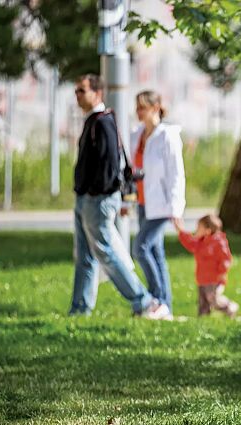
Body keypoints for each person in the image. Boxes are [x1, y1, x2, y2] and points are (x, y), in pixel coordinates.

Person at [69, 73, 169, 319]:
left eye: (82, 90)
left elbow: (111, 165)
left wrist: (97, 192)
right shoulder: (93, 121)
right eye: (76, 91)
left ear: (97, 93)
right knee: (85, 257)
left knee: (107, 254)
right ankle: (80, 309)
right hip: (86, 199)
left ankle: (144, 302)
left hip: (97, 200)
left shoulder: (103, 122)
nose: (78, 96)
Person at [130, 90, 186, 316]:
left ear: (155, 108)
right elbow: (134, 171)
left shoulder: (167, 136)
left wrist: (175, 207)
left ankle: (156, 300)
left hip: (162, 205)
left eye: (142, 107)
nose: (138, 112)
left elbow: (176, 173)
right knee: (156, 252)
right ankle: (166, 307)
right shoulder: (137, 134)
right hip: (144, 203)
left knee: (140, 248)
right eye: (137, 107)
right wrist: (128, 200)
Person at [172, 214, 239, 317]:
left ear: (208, 231)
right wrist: (180, 231)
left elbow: (226, 258)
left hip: (215, 279)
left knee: (214, 299)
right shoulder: (200, 242)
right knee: (203, 302)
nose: (196, 230)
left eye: (199, 228)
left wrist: (222, 272)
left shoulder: (219, 243)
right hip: (202, 279)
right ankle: (203, 319)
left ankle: (229, 306)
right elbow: (190, 243)